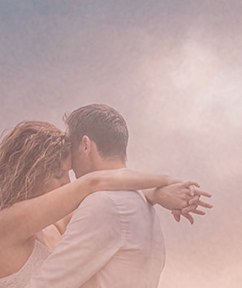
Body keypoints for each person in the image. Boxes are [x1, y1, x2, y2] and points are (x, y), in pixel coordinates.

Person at [0, 120, 208, 287]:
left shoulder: (58, 221)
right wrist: (166, 181)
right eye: (58, 174)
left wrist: (156, 195)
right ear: (29, 174)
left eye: (68, 172)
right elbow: (92, 184)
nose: (67, 181)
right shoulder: (7, 223)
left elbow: (106, 190)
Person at [30, 104, 205, 288]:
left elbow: (48, 283)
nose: (71, 164)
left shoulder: (104, 204)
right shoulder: (142, 202)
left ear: (85, 145)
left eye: (71, 148)